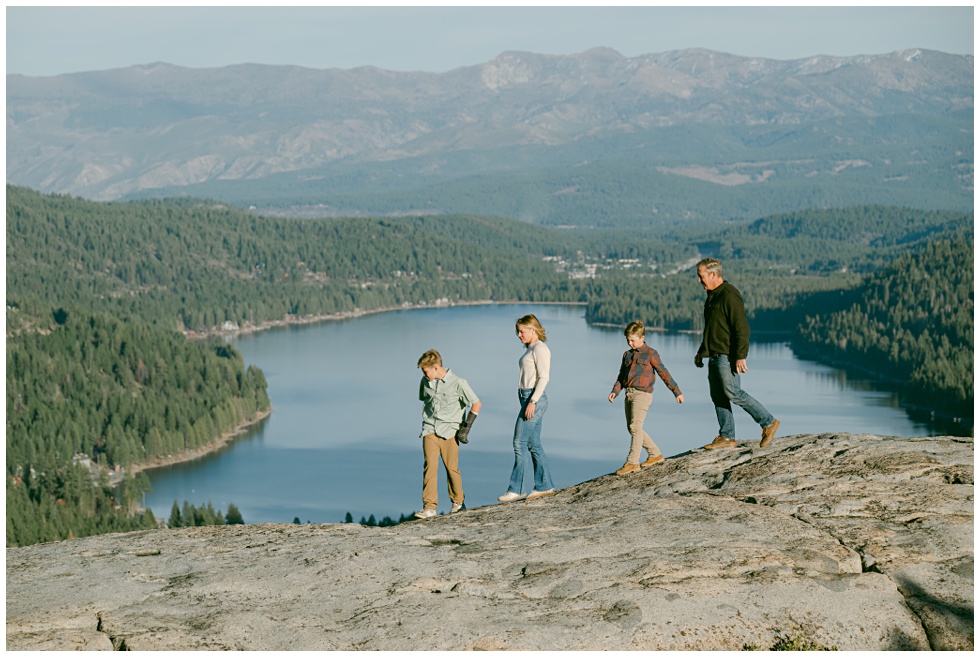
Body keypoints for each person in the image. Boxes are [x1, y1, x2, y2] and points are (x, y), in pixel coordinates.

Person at [694, 258, 780, 449]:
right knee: (718, 395)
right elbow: (712, 328)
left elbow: (742, 328)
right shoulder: (713, 296)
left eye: (701, 276)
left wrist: (741, 355)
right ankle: (726, 437)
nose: (699, 280)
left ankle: (768, 422)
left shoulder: (729, 295)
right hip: (714, 355)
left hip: (726, 355)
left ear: (713, 275)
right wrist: (701, 352)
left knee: (733, 392)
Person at [608, 321, 684, 475]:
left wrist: (676, 391)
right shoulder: (627, 355)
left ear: (642, 337)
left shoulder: (651, 353)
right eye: (628, 340)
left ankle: (632, 462)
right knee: (632, 428)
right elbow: (622, 375)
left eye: (633, 340)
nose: (630, 343)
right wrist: (615, 390)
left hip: (642, 394)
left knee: (635, 427)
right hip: (629, 393)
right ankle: (655, 454)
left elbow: (663, 373)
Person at [414, 349, 482, 519]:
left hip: (450, 431)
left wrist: (465, 429)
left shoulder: (459, 382)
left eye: (426, 371)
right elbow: (424, 398)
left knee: (451, 467)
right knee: (430, 466)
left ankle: (458, 502)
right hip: (430, 428)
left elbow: (476, 404)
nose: (424, 375)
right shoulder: (425, 382)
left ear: (436, 367)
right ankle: (429, 507)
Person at [498, 314, 555, 502]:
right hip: (527, 398)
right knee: (533, 444)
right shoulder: (531, 349)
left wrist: (533, 401)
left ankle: (516, 488)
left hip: (533, 399)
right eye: (518, 331)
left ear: (532, 329)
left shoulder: (540, 348)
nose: (519, 335)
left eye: (521, 331)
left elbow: (544, 378)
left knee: (519, 443)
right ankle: (545, 485)